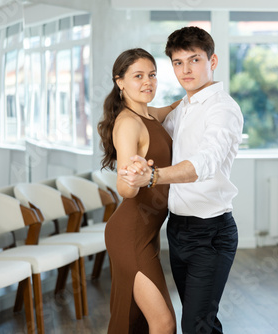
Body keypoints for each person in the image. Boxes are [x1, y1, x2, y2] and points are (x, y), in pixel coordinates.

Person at [122, 27, 243, 334]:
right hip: (178, 230)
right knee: (199, 320)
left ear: (212, 60)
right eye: (178, 63)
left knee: (195, 324)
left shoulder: (223, 109)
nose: (186, 70)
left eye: (194, 60)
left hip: (211, 233)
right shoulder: (185, 106)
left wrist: (154, 176)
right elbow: (153, 123)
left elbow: (205, 163)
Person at [98, 48, 179, 334]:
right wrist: (133, 180)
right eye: (138, 76)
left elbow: (172, 108)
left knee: (136, 321)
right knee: (164, 322)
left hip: (146, 233)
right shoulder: (128, 124)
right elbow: (124, 187)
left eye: (153, 75)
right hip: (130, 234)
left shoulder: (147, 114)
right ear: (120, 81)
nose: (148, 82)